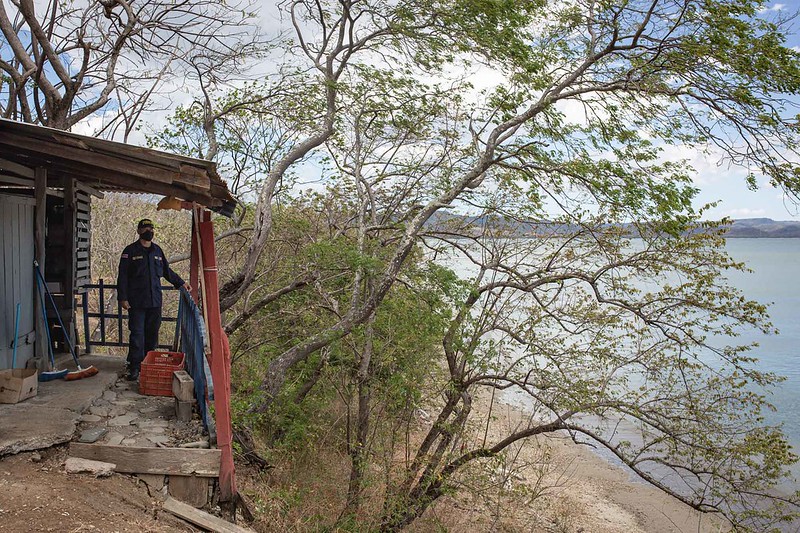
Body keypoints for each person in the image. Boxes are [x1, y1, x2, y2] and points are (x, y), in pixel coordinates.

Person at [117, 218, 190, 381]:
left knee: (152, 335)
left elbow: (166, 271)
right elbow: (122, 276)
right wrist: (122, 297)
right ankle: (135, 367)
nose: (149, 231)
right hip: (136, 301)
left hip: (155, 301)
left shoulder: (157, 251)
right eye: (145, 228)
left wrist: (181, 283)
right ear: (139, 231)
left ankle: (147, 366)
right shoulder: (130, 251)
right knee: (137, 335)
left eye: (151, 228)